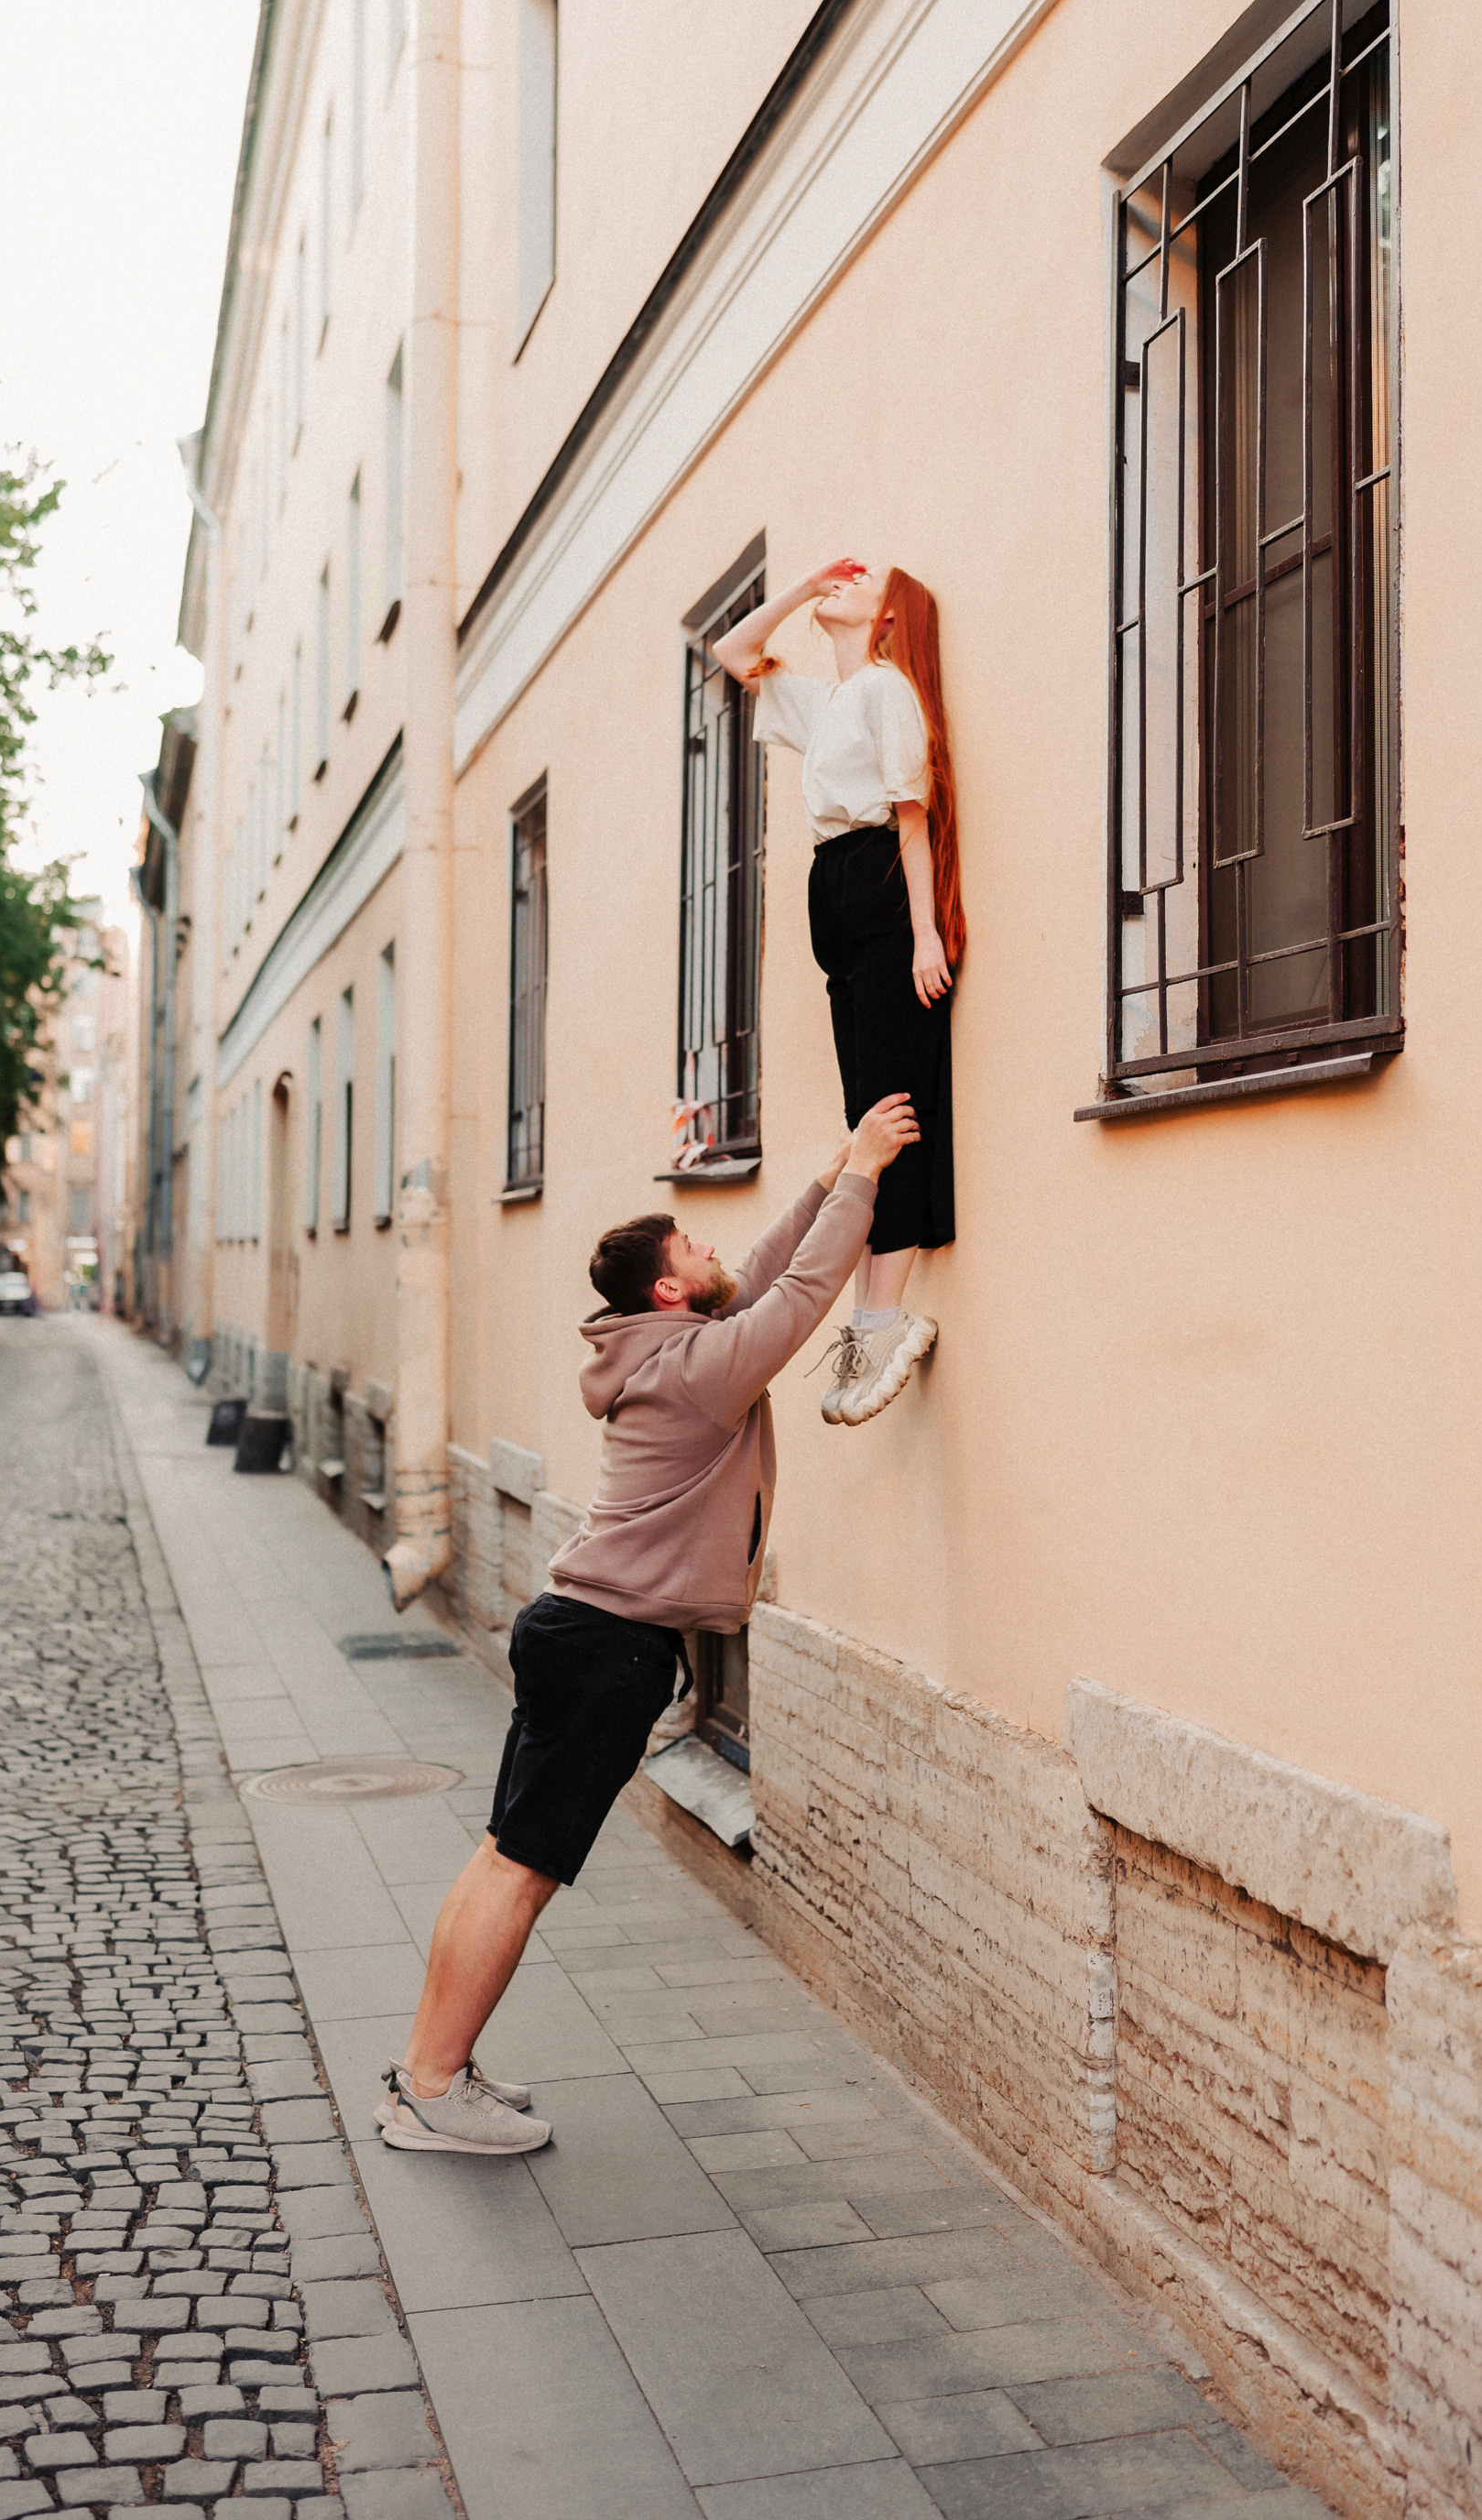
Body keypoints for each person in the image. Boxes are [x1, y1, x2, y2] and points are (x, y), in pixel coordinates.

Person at [373, 1091, 920, 2156]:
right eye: (693, 1248)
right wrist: (860, 1179)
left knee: (500, 1858)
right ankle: (430, 2091)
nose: (713, 1251)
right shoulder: (698, 1370)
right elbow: (797, 1297)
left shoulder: (664, 1343)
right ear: (669, 1289)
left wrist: (828, 1174)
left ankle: (429, 2069)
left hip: (578, 1632)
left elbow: (755, 1276)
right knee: (520, 1871)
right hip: (605, 1648)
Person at [713, 559, 965, 1427]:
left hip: (880, 878)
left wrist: (925, 932)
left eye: (861, 584)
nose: (840, 589)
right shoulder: (826, 700)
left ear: (889, 616)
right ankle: (871, 1321)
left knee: (890, 1108)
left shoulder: (889, 689)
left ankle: (882, 1321)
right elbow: (732, 651)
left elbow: (911, 814)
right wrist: (804, 586)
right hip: (832, 886)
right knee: (866, 1111)